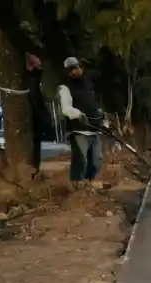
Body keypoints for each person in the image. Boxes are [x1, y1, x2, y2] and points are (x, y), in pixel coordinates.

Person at [57, 56, 105, 189]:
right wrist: (78, 115)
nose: (73, 71)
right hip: (78, 129)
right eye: (70, 70)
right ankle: (77, 184)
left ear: (81, 67)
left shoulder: (88, 82)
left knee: (96, 160)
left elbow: (92, 102)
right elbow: (66, 108)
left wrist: (100, 114)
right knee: (80, 159)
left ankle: (89, 183)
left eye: (75, 68)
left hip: (94, 128)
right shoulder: (64, 87)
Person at [25, 54, 53, 177]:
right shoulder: (29, 81)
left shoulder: (33, 80)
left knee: (35, 145)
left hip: (35, 118)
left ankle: (34, 171)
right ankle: (33, 171)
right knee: (33, 146)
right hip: (33, 116)